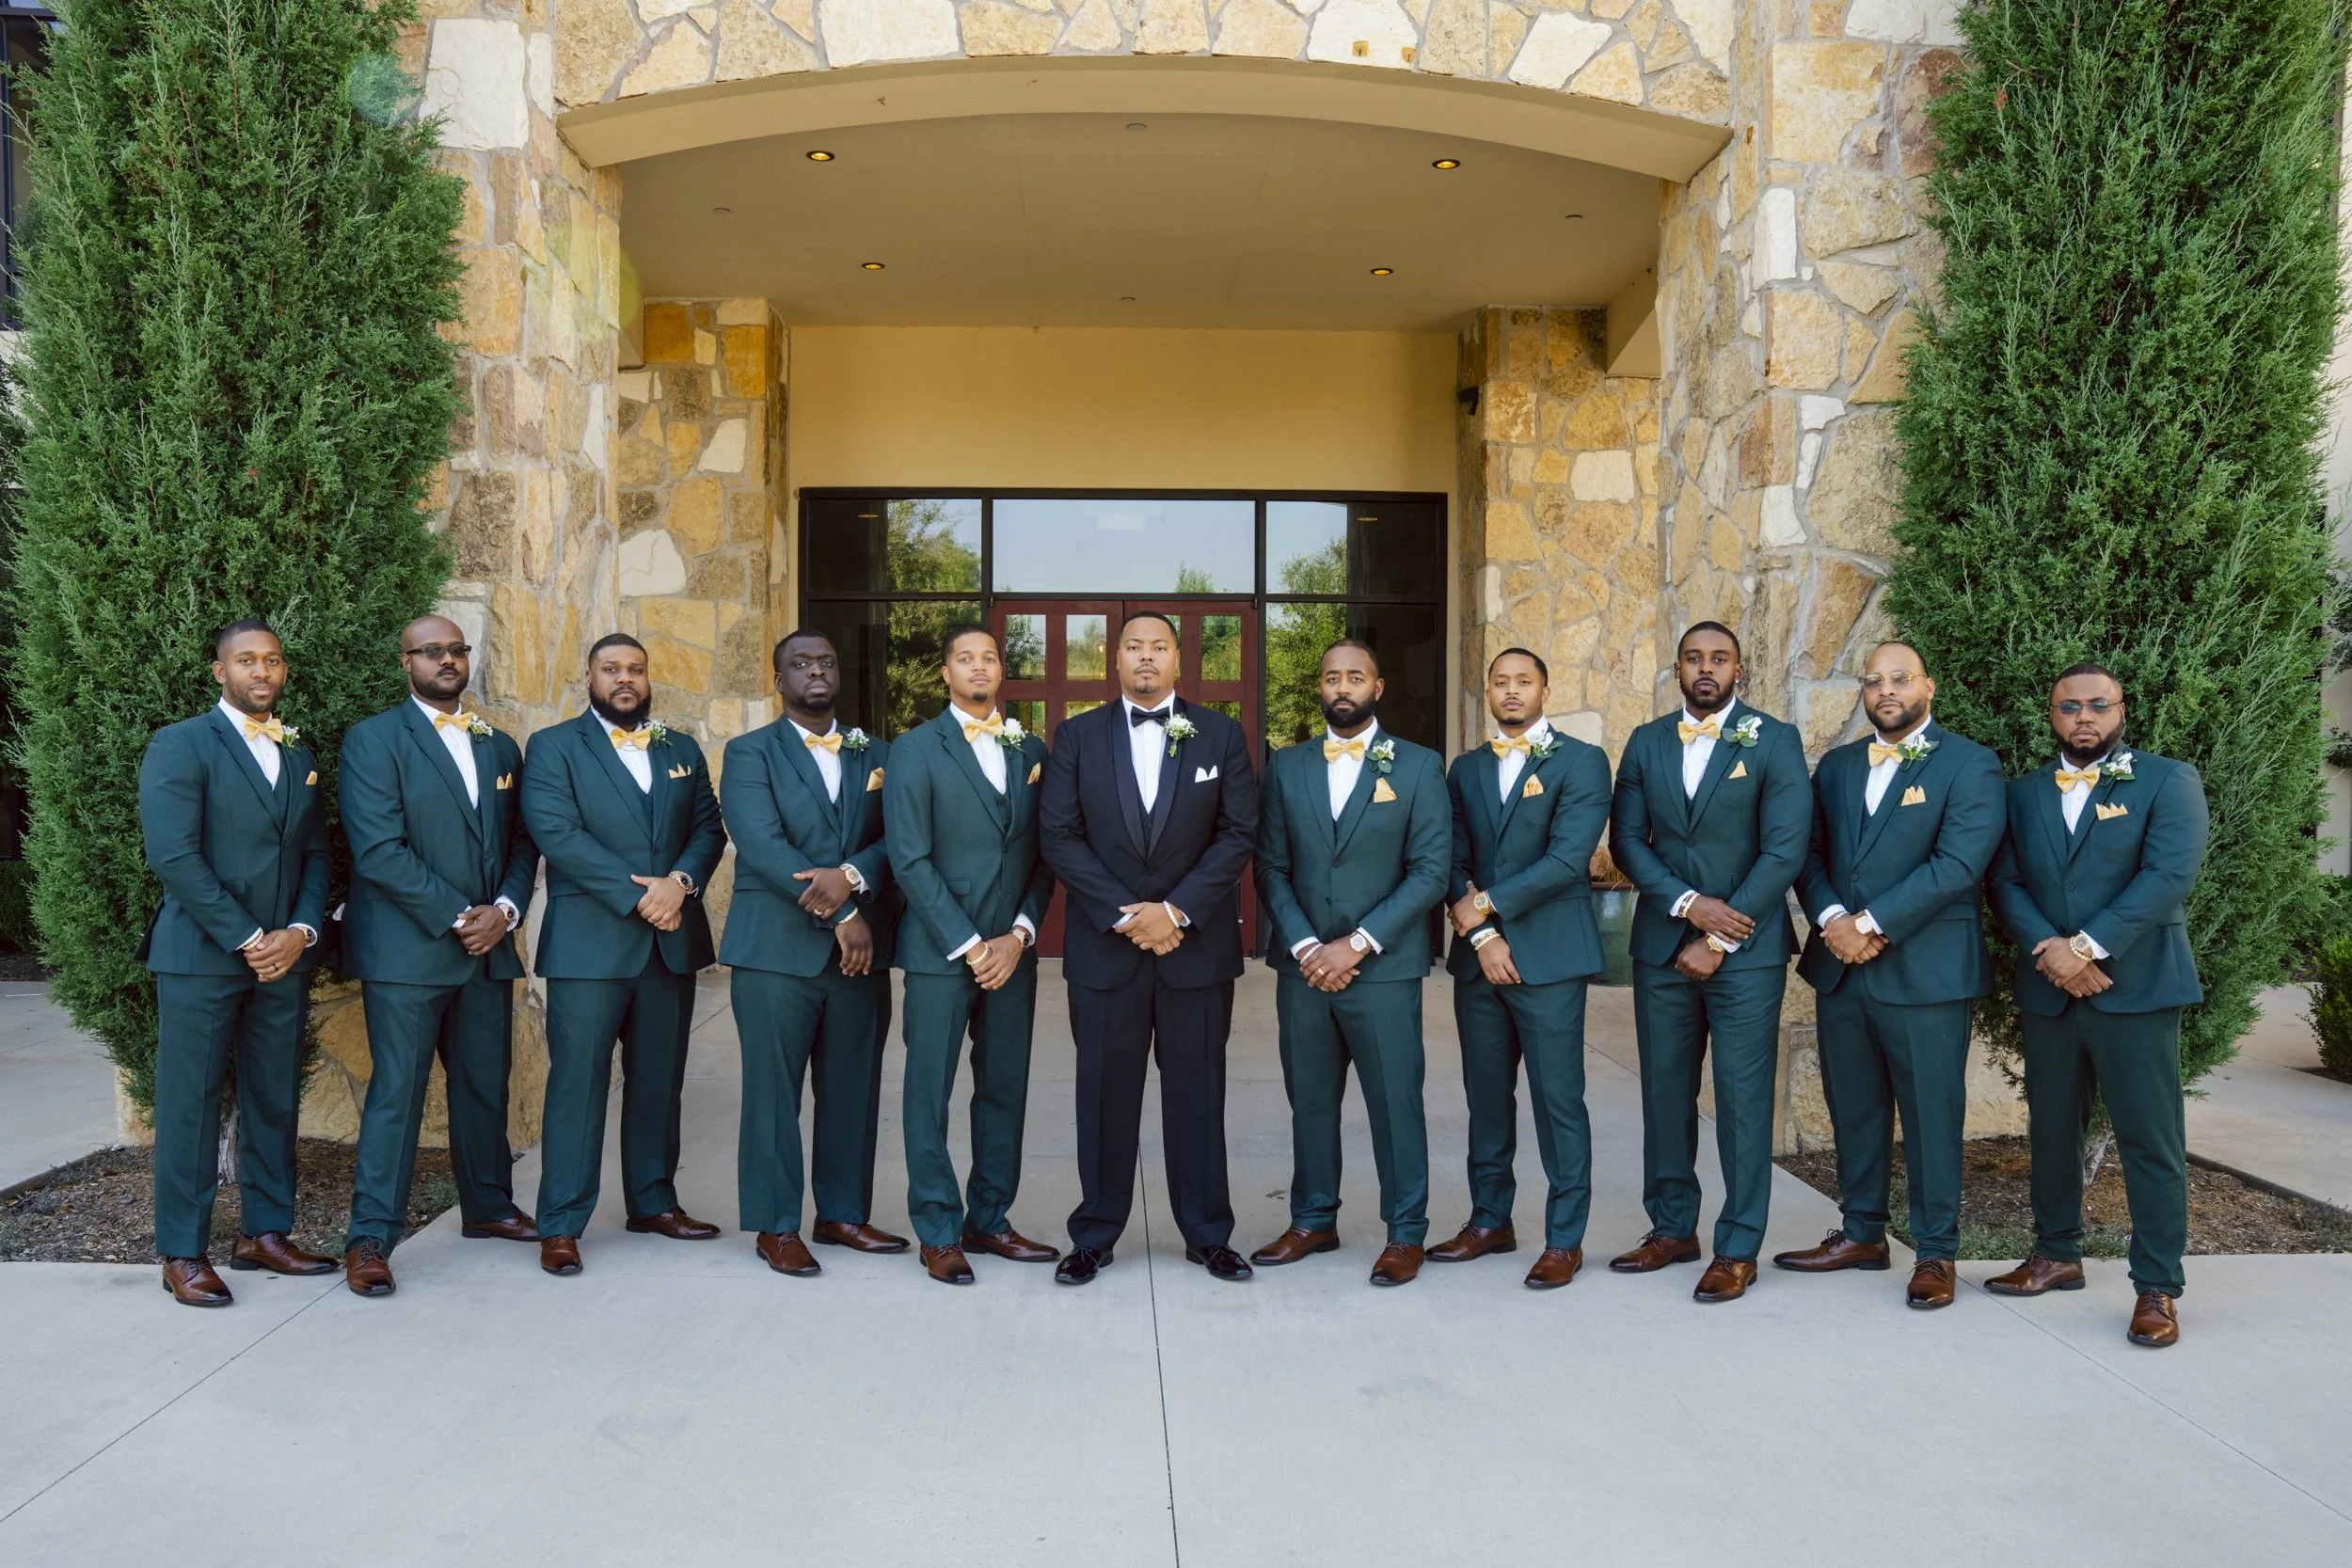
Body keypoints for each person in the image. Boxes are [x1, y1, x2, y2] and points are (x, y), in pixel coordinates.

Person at [1775, 641, 2003, 1309]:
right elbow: (1808, 852)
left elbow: (1958, 864)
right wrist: (1832, 918)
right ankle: (1861, 1233)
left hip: (1926, 972)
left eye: (1899, 679)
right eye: (1873, 680)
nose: (1885, 690)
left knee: (1932, 1115)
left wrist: (1868, 924)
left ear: (1928, 686)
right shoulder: (1841, 765)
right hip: (1842, 967)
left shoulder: (1970, 763)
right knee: (1855, 1107)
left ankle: (1935, 1252)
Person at [1986, 663, 2208, 1347]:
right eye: (2069, 706)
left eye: (2097, 705)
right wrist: (2053, 950)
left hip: (2137, 989)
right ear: (2052, 715)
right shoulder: (2022, 792)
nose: (2084, 716)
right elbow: (2005, 878)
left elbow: (2170, 872)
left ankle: (2157, 1287)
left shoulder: (2169, 780)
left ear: (2120, 710)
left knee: (2151, 1139)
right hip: (2051, 988)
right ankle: (2056, 1254)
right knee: (2052, 1128)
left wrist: (2086, 946)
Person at [1038, 611, 1259, 1286]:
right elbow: (1060, 835)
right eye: (1133, 647)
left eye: (1157, 647)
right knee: (1104, 1095)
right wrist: (1125, 914)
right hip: (1106, 951)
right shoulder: (1075, 736)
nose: (1145, 657)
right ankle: (1096, 1234)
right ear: (1114, 658)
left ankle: (1207, 1233)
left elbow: (1238, 832)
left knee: (1198, 1094)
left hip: (1195, 952)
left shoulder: (1221, 734)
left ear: (1177, 659)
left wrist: (1176, 911)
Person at [1605, 621, 1810, 1304]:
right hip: (1663, 944)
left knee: (1743, 1099)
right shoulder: (1646, 741)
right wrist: (1691, 906)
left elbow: (1784, 849)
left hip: (1748, 955)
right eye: (1694, 657)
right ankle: (1671, 1227)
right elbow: (1630, 842)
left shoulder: (1774, 740)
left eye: (1719, 658)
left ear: (1739, 670)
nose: (1706, 668)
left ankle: (1738, 1243)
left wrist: (1722, 932)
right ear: (1677, 667)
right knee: (1665, 1093)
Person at [338, 617, 542, 1297]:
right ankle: (370, 1238)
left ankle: (488, 1205)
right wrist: (461, 916)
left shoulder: (499, 745)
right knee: (397, 1095)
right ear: (406, 661)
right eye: (433, 651)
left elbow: (521, 842)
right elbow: (378, 849)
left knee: (484, 1086)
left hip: (487, 949)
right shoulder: (372, 741)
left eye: (457, 650)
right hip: (408, 951)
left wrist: (505, 911)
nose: (448, 660)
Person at [138, 620, 335, 1307]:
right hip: (202, 954)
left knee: (274, 1096)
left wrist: (301, 932)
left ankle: (264, 1232)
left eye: (273, 660)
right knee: (189, 1102)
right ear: (219, 670)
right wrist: (251, 934)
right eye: (246, 659)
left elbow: (315, 852)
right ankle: (183, 1251)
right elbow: (173, 855)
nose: (262, 671)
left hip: (284, 959)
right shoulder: (182, 743)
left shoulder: (298, 749)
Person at [519, 633, 727, 1275]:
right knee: (577, 1086)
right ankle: (561, 1221)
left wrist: (682, 884)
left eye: (635, 668)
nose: (625, 679)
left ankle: (653, 1201)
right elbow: (556, 832)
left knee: (659, 1083)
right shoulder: (554, 747)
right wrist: (640, 896)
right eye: (611, 669)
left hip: (669, 945)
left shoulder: (680, 748)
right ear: (589, 678)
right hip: (589, 947)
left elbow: (707, 829)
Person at [1251, 638, 1449, 1287]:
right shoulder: (1286, 766)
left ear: (1378, 686)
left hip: (1383, 970)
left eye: (1355, 676)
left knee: (1395, 1103)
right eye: (1333, 676)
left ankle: (1406, 1230)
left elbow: (1429, 872)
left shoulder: (1419, 767)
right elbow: (1272, 865)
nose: (1343, 686)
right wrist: (1309, 945)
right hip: (1303, 969)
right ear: (1320, 686)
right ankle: (1312, 1217)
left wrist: (1358, 943)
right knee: (1309, 1100)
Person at [718, 631, 906, 1279]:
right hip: (775, 952)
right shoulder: (748, 753)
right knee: (773, 1094)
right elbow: (761, 843)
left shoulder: (877, 753)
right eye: (800, 663)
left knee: (853, 1087)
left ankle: (843, 1213)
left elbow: (899, 837)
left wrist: (854, 875)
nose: (816, 671)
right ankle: (776, 1224)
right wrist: (844, 912)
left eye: (826, 661)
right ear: (779, 680)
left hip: (860, 959)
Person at [882, 625, 1057, 1285]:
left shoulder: (1031, 747)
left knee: (1004, 1087)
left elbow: (1045, 854)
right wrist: (970, 943)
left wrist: (1018, 933)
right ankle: (936, 1227)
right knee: (929, 1091)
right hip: (940, 951)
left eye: (989, 657)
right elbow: (908, 855)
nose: (979, 667)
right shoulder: (915, 749)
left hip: (1013, 952)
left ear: (1000, 671)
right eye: (965, 658)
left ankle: (990, 1218)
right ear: (945, 674)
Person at [1435, 647, 1612, 1290]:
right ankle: (1490, 1220)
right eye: (1500, 682)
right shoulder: (1466, 768)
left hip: (1552, 959)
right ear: (1487, 690)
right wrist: (1482, 933)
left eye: (1523, 682)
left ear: (1545, 688)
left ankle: (1565, 1238)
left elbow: (1568, 860)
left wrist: (1483, 904)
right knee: (1486, 1098)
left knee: (1558, 1100)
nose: (1511, 692)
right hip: (1481, 962)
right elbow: (1449, 856)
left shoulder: (1583, 761)